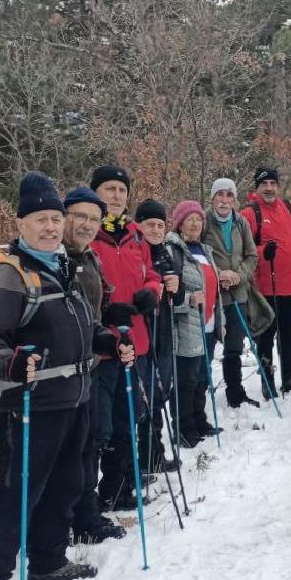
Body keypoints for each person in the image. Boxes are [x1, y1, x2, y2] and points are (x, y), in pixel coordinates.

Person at [0, 173, 134, 580]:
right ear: (21, 223)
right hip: (32, 405)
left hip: (75, 396)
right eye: (40, 219)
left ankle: (47, 562)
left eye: (54, 219)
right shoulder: (11, 275)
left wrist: (107, 342)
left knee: (66, 485)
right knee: (19, 495)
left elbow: (85, 327)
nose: (49, 227)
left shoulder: (64, 266)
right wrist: (11, 362)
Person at [88, 164, 162, 511]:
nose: (116, 196)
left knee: (129, 417)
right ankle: (89, 499)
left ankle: (119, 488)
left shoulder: (135, 235)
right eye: (109, 190)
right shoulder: (88, 234)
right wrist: (105, 312)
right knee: (102, 426)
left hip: (136, 340)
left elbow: (152, 275)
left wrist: (152, 291)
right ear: (96, 194)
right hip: (102, 347)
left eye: (121, 190)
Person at [60, 187, 126, 545]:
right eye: (79, 217)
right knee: (74, 448)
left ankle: (85, 515)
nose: (87, 225)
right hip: (61, 373)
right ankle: (67, 520)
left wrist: (115, 316)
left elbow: (92, 309)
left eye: (94, 219)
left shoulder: (88, 258)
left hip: (91, 364)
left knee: (89, 442)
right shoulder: (56, 259)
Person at [202, 177, 280, 402]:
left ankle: (235, 393)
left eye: (229, 195)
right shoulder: (203, 221)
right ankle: (198, 394)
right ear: (213, 197)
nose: (224, 200)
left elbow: (251, 255)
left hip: (238, 293)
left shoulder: (240, 222)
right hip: (212, 296)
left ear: (235, 199)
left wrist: (238, 275)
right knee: (206, 347)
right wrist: (218, 276)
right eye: (220, 195)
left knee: (234, 347)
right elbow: (196, 255)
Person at [243, 167, 291, 399]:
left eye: (273, 183)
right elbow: (245, 249)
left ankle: (289, 377)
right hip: (266, 286)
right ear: (257, 187)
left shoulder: (288, 208)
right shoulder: (250, 213)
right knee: (266, 336)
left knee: (288, 333)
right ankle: (267, 379)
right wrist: (263, 251)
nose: (269, 188)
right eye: (264, 184)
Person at [164, 200, 226, 446]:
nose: (195, 223)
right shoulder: (172, 251)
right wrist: (188, 299)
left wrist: (220, 319)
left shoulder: (205, 250)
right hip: (186, 326)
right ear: (179, 223)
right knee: (185, 381)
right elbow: (169, 293)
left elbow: (213, 288)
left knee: (202, 377)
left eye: (199, 219)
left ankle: (200, 421)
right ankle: (183, 429)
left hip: (208, 323)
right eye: (189, 219)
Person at [134, 198, 179, 476]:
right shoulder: (134, 252)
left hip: (163, 336)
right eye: (149, 224)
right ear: (138, 225)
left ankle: (155, 453)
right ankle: (142, 458)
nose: (155, 229)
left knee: (160, 395)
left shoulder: (164, 253)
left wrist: (178, 287)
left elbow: (178, 295)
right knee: (143, 400)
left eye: (160, 224)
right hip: (141, 336)